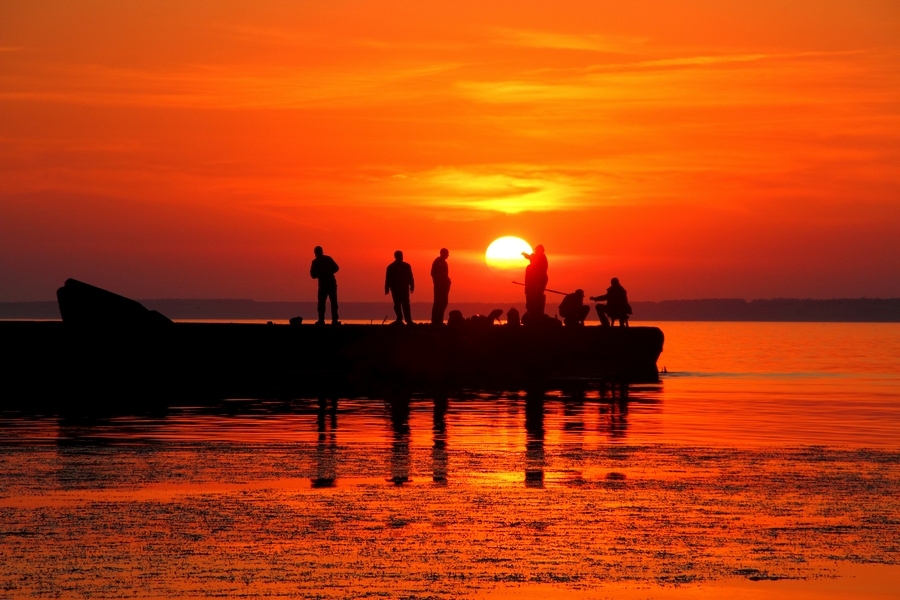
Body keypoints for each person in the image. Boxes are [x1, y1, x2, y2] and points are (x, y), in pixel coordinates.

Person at [309, 246, 340, 325]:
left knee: (327, 302)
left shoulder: (317, 261)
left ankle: (326, 320)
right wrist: (324, 273)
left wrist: (327, 272)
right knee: (327, 302)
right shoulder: (323, 260)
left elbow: (336, 268)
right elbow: (313, 275)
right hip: (327, 284)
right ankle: (326, 320)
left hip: (327, 284)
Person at [385, 250, 415, 325]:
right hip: (396, 289)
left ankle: (408, 320)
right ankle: (400, 319)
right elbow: (388, 278)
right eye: (400, 255)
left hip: (404, 288)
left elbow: (410, 277)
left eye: (401, 255)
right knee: (397, 304)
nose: (401, 257)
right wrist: (386, 288)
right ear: (396, 256)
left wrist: (412, 285)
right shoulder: (391, 267)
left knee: (405, 304)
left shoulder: (406, 266)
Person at [522, 245, 549, 318]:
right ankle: (531, 313)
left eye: (537, 250)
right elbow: (532, 257)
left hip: (539, 283)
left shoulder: (541, 259)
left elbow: (534, 258)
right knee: (530, 300)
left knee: (536, 298)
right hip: (531, 286)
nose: (535, 252)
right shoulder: (530, 267)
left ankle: (535, 314)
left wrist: (527, 255)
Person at [430, 248, 451, 325]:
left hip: (442, 286)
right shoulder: (439, 262)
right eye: (447, 253)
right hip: (440, 287)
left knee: (442, 303)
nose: (448, 255)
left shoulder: (441, 262)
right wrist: (441, 282)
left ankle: (438, 320)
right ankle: (437, 321)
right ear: (443, 253)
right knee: (440, 303)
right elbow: (435, 274)